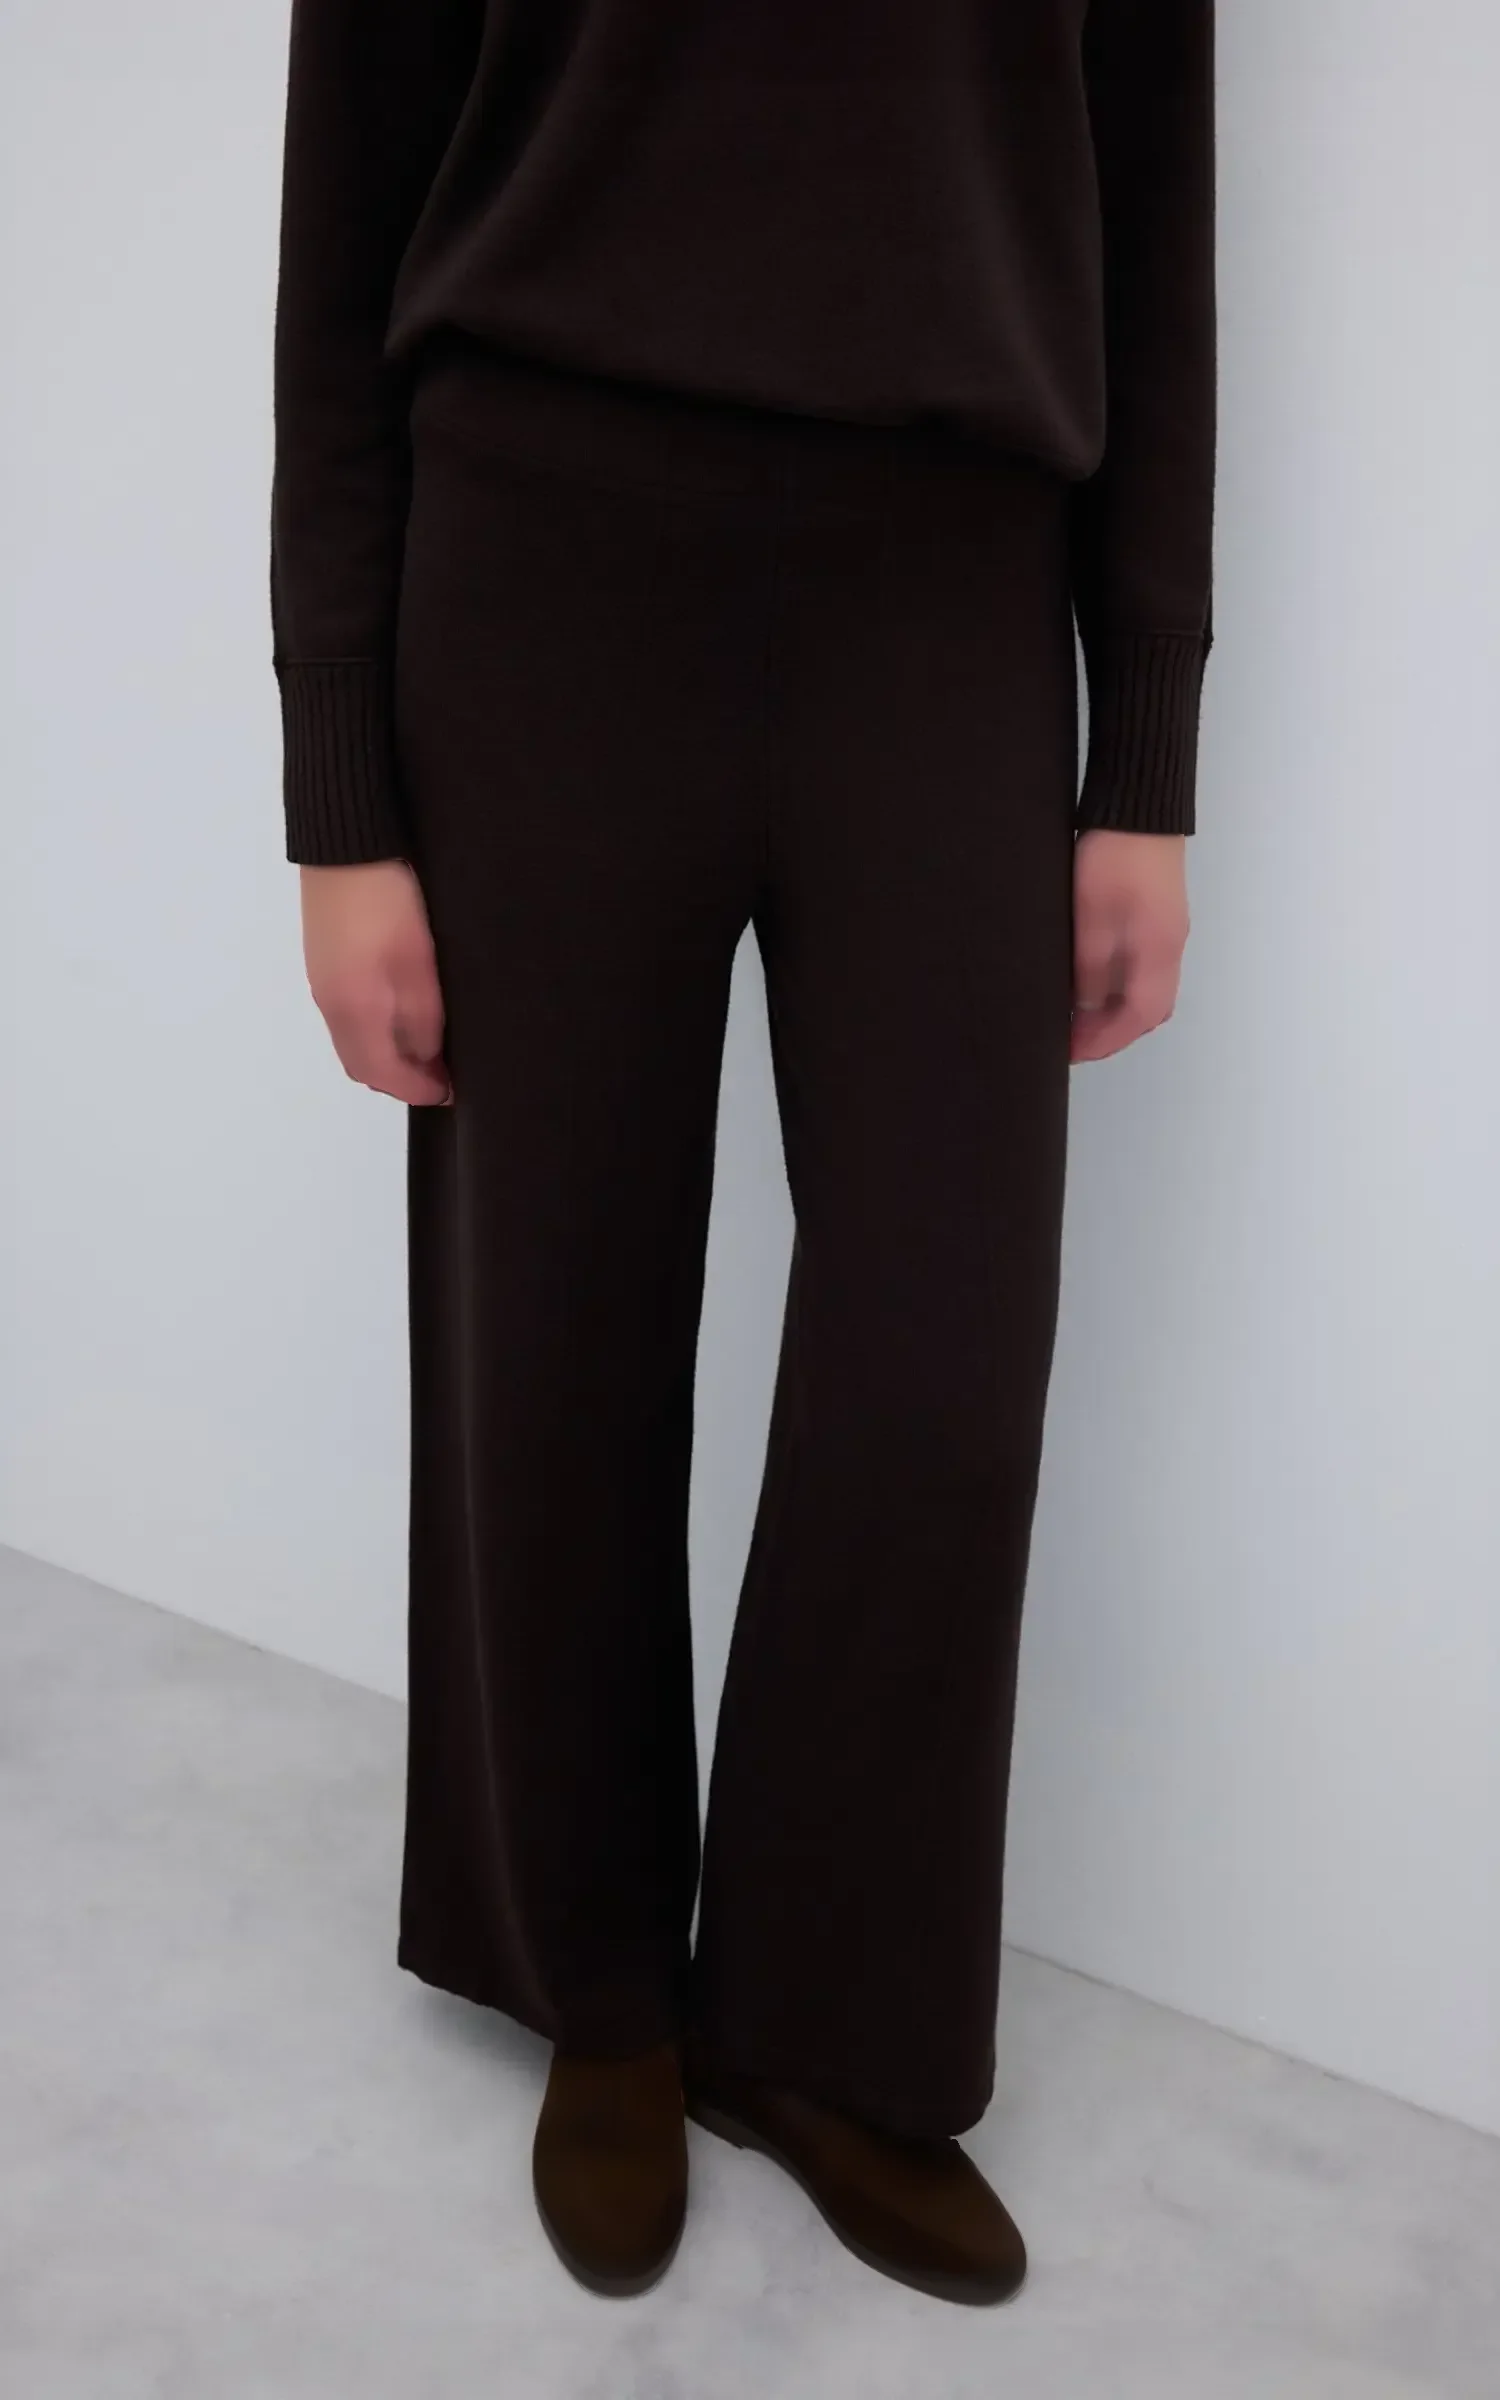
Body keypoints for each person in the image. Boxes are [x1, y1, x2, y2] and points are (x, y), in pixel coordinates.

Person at [269, 0, 1215, 2307]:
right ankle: (591, 1979)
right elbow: (345, 216)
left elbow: (1155, 201)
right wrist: (340, 797)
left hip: (950, 575)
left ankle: (826, 2023)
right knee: (552, 1318)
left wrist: (1147, 748)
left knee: (941, 1362)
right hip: (542, 547)